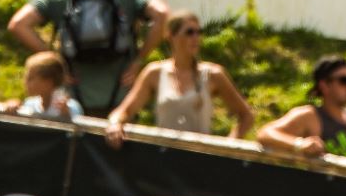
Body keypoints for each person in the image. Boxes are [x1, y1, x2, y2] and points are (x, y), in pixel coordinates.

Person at [10, 0, 169, 116]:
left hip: (70, 105)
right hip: (120, 101)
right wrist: (138, 60)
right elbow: (162, 14)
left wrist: (57, 63)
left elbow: (18, 24)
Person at [106, 8, 259, 142]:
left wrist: (228, 144)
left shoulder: (213, 74)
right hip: (165, 156)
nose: (196, 38)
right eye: (189, 32)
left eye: (199, 32)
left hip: (200, 157)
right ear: (171, 36)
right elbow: (124, 110)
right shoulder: (154, 73)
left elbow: (246, 116)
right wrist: (115, 123)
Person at [256, 52, 346, 159]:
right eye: (343, 80)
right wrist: (299, 144)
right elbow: (265, 133)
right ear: (324, 85)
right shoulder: (309, 116)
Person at [13, 51, 84, 120]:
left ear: (48, 82)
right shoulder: (29, 104)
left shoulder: (71, 107)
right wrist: (11, 109)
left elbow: (78, 126)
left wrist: (66, 117)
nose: (25, 82)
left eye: (30, 78)